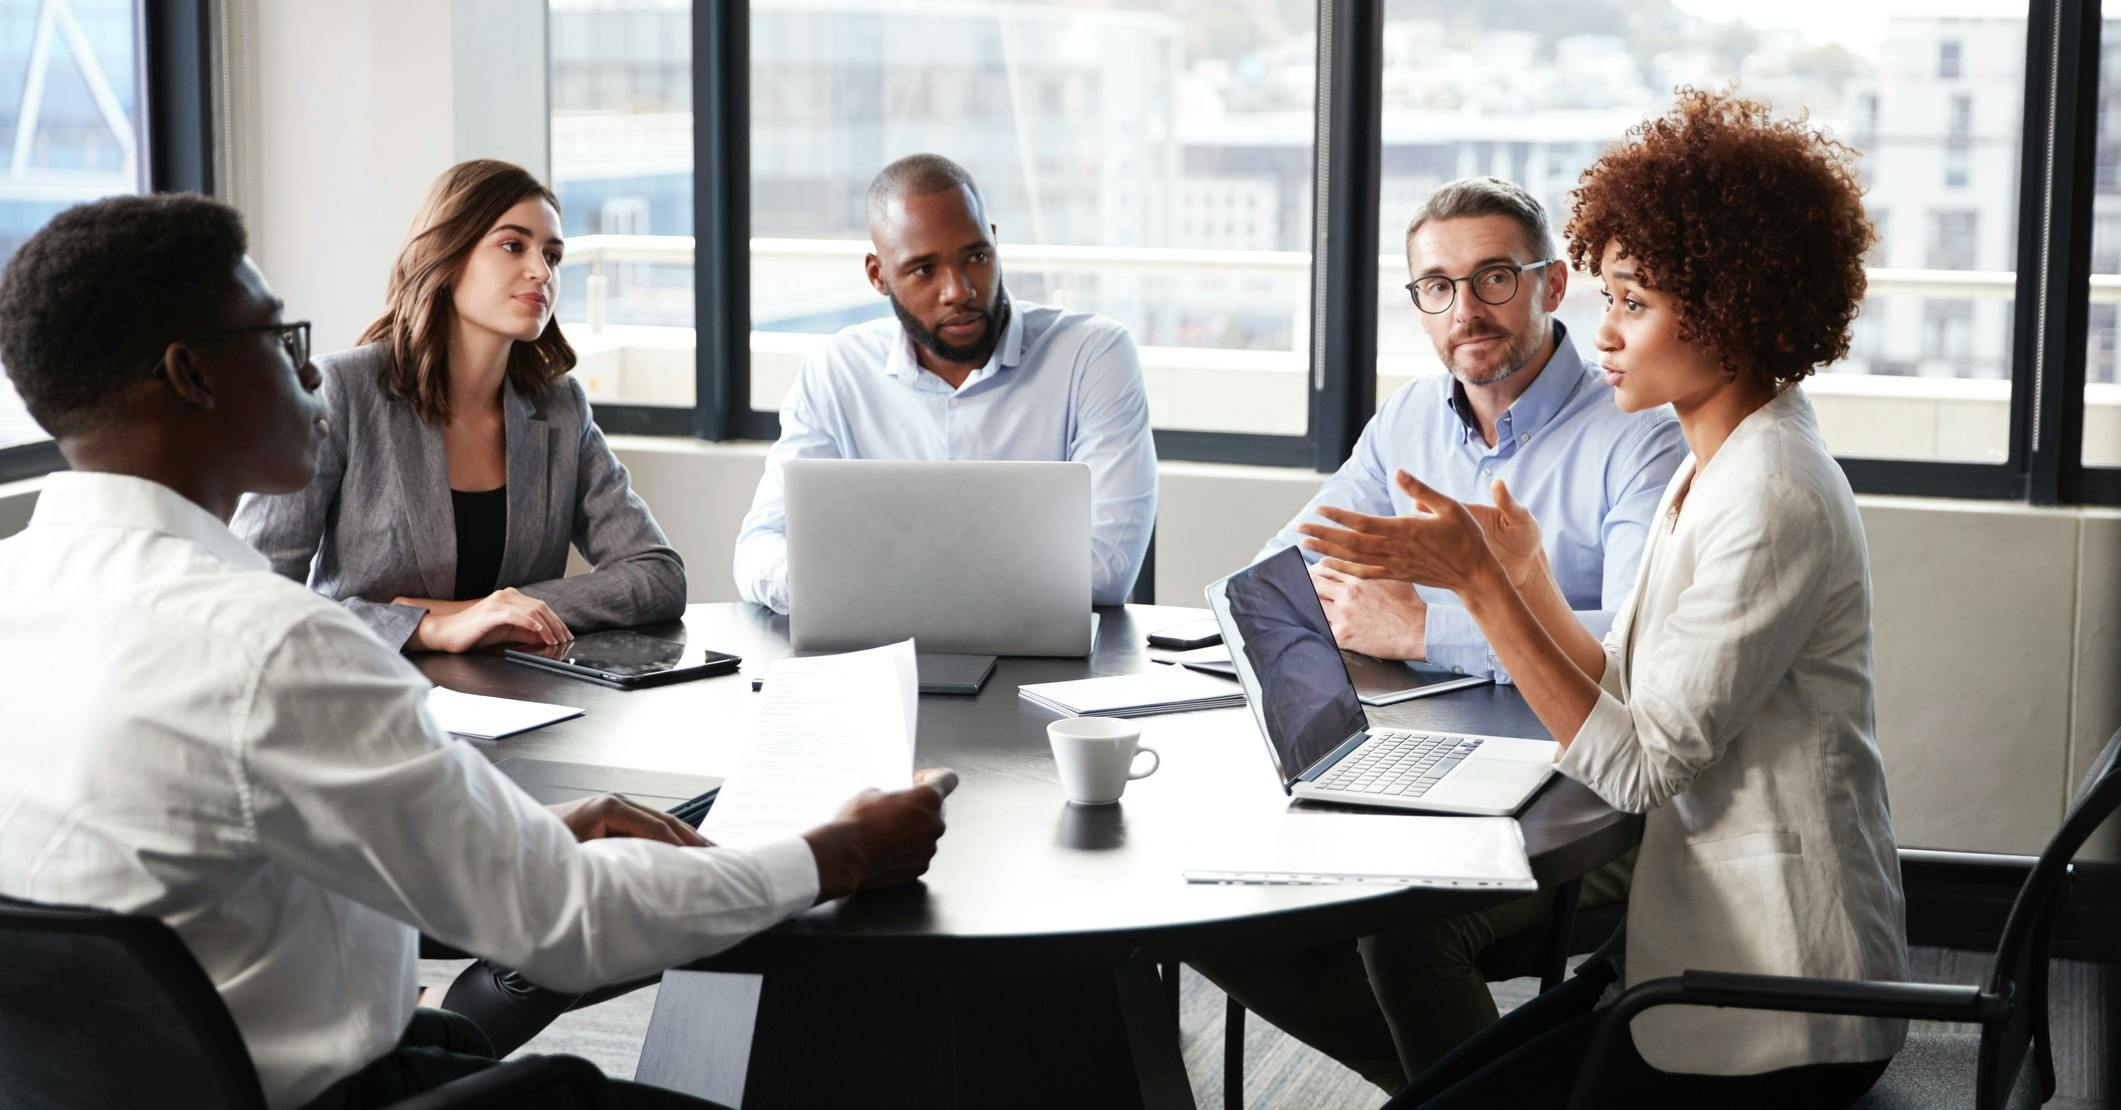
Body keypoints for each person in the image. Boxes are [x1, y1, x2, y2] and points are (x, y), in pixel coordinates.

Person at [0, 192, 958, 1110]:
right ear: (190, 375)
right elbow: (572, 926)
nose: (308, 372)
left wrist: (515, 839)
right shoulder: (276, 646)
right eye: (278, 339)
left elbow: (209, 862)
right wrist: (835, 853)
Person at [1305, 88, 1905, 1108]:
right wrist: (1528, 576)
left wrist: (1484, 591)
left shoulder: (1770, 496)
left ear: (1731, 308)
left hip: (1776, 1001)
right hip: (1692, 958)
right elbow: (1629, 682)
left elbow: (1633, 770)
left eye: (1634, 302)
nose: (1607, 333)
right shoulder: (1713, 461)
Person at [1195, 177, 1684, 1091]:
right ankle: (1460, 1093)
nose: (1466, 309)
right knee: (1215, 905)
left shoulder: (1639, 434)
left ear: (1551, 283)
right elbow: (1288, 567)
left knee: (1408, 930)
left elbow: (1629, 644)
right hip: (1438, 762)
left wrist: (1426, 627)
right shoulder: (1411, 417)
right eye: (1436, 286)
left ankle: (1464, 1092)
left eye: (1494, 277)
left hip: (1602, 803)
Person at [233, 159, 684, 655]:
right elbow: (253, 599)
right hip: (367, 697)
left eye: (552, 256)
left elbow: (658, 576)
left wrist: (489, 611)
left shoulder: (560, 407)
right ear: (446, 255)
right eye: (513, 246)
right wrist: (427, 627)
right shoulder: (341, 390)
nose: (541, 271)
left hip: (525, 706)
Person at [732, 153, 1157, 612]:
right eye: (924, 270)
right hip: (880, 660)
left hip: (1049, 670)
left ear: (994, 243)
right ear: (878, 275)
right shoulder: (837, 371)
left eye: (975, 257)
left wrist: (862, 582)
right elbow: (760, 549)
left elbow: (1107, 569)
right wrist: (820, 582)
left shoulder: (1092, 355)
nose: (959, 291)